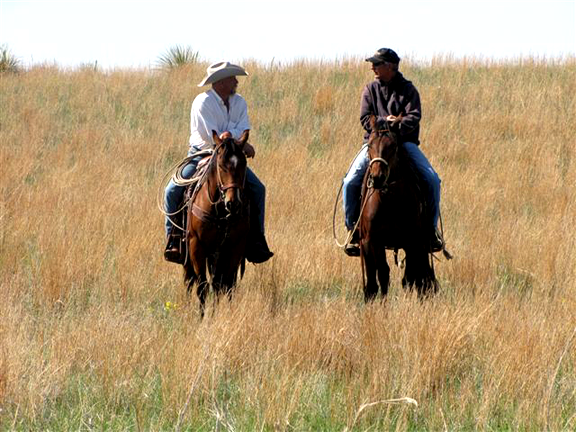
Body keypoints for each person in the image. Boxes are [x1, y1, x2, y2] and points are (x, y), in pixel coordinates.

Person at [163, 61, 273, 264]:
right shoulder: (202, 103)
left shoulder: (240, 102)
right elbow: (211, 135)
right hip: (201, 154)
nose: (236, 81)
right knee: (172, 191)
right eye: (233, 78)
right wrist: (235, 138)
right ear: (221, 82)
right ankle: (174, 239)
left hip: (230, 158)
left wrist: (232, 136)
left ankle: (257, 240)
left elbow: (243, 127)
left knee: (258, 189)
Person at [342, 48, 443, 256]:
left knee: (433, 180)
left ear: (390, 66)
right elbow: (365, 118)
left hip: (404, 143)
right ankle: (353, 230)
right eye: (373, 64)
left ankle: (431, 231)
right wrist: (385, 122)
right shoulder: (370, 89)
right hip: (375, 145)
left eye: (377, 64)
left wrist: (397, 125)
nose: (373, 67)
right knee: (350, 181)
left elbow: (414, 117)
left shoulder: (408, 89)